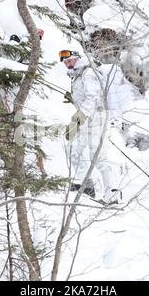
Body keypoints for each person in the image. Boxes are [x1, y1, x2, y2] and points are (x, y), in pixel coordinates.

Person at [59, 49, 121, 205]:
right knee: (73, 149)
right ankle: (84, 184)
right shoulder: (78, 76)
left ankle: (112, 193)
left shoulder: (88, 73)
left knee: (98, 156)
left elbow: (93, 98)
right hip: (88, 119)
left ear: (77, 58)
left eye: (70, 60)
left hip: (97, 118)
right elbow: (85, 97)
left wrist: (78, 118)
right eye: (65, 62)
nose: (67, 64)